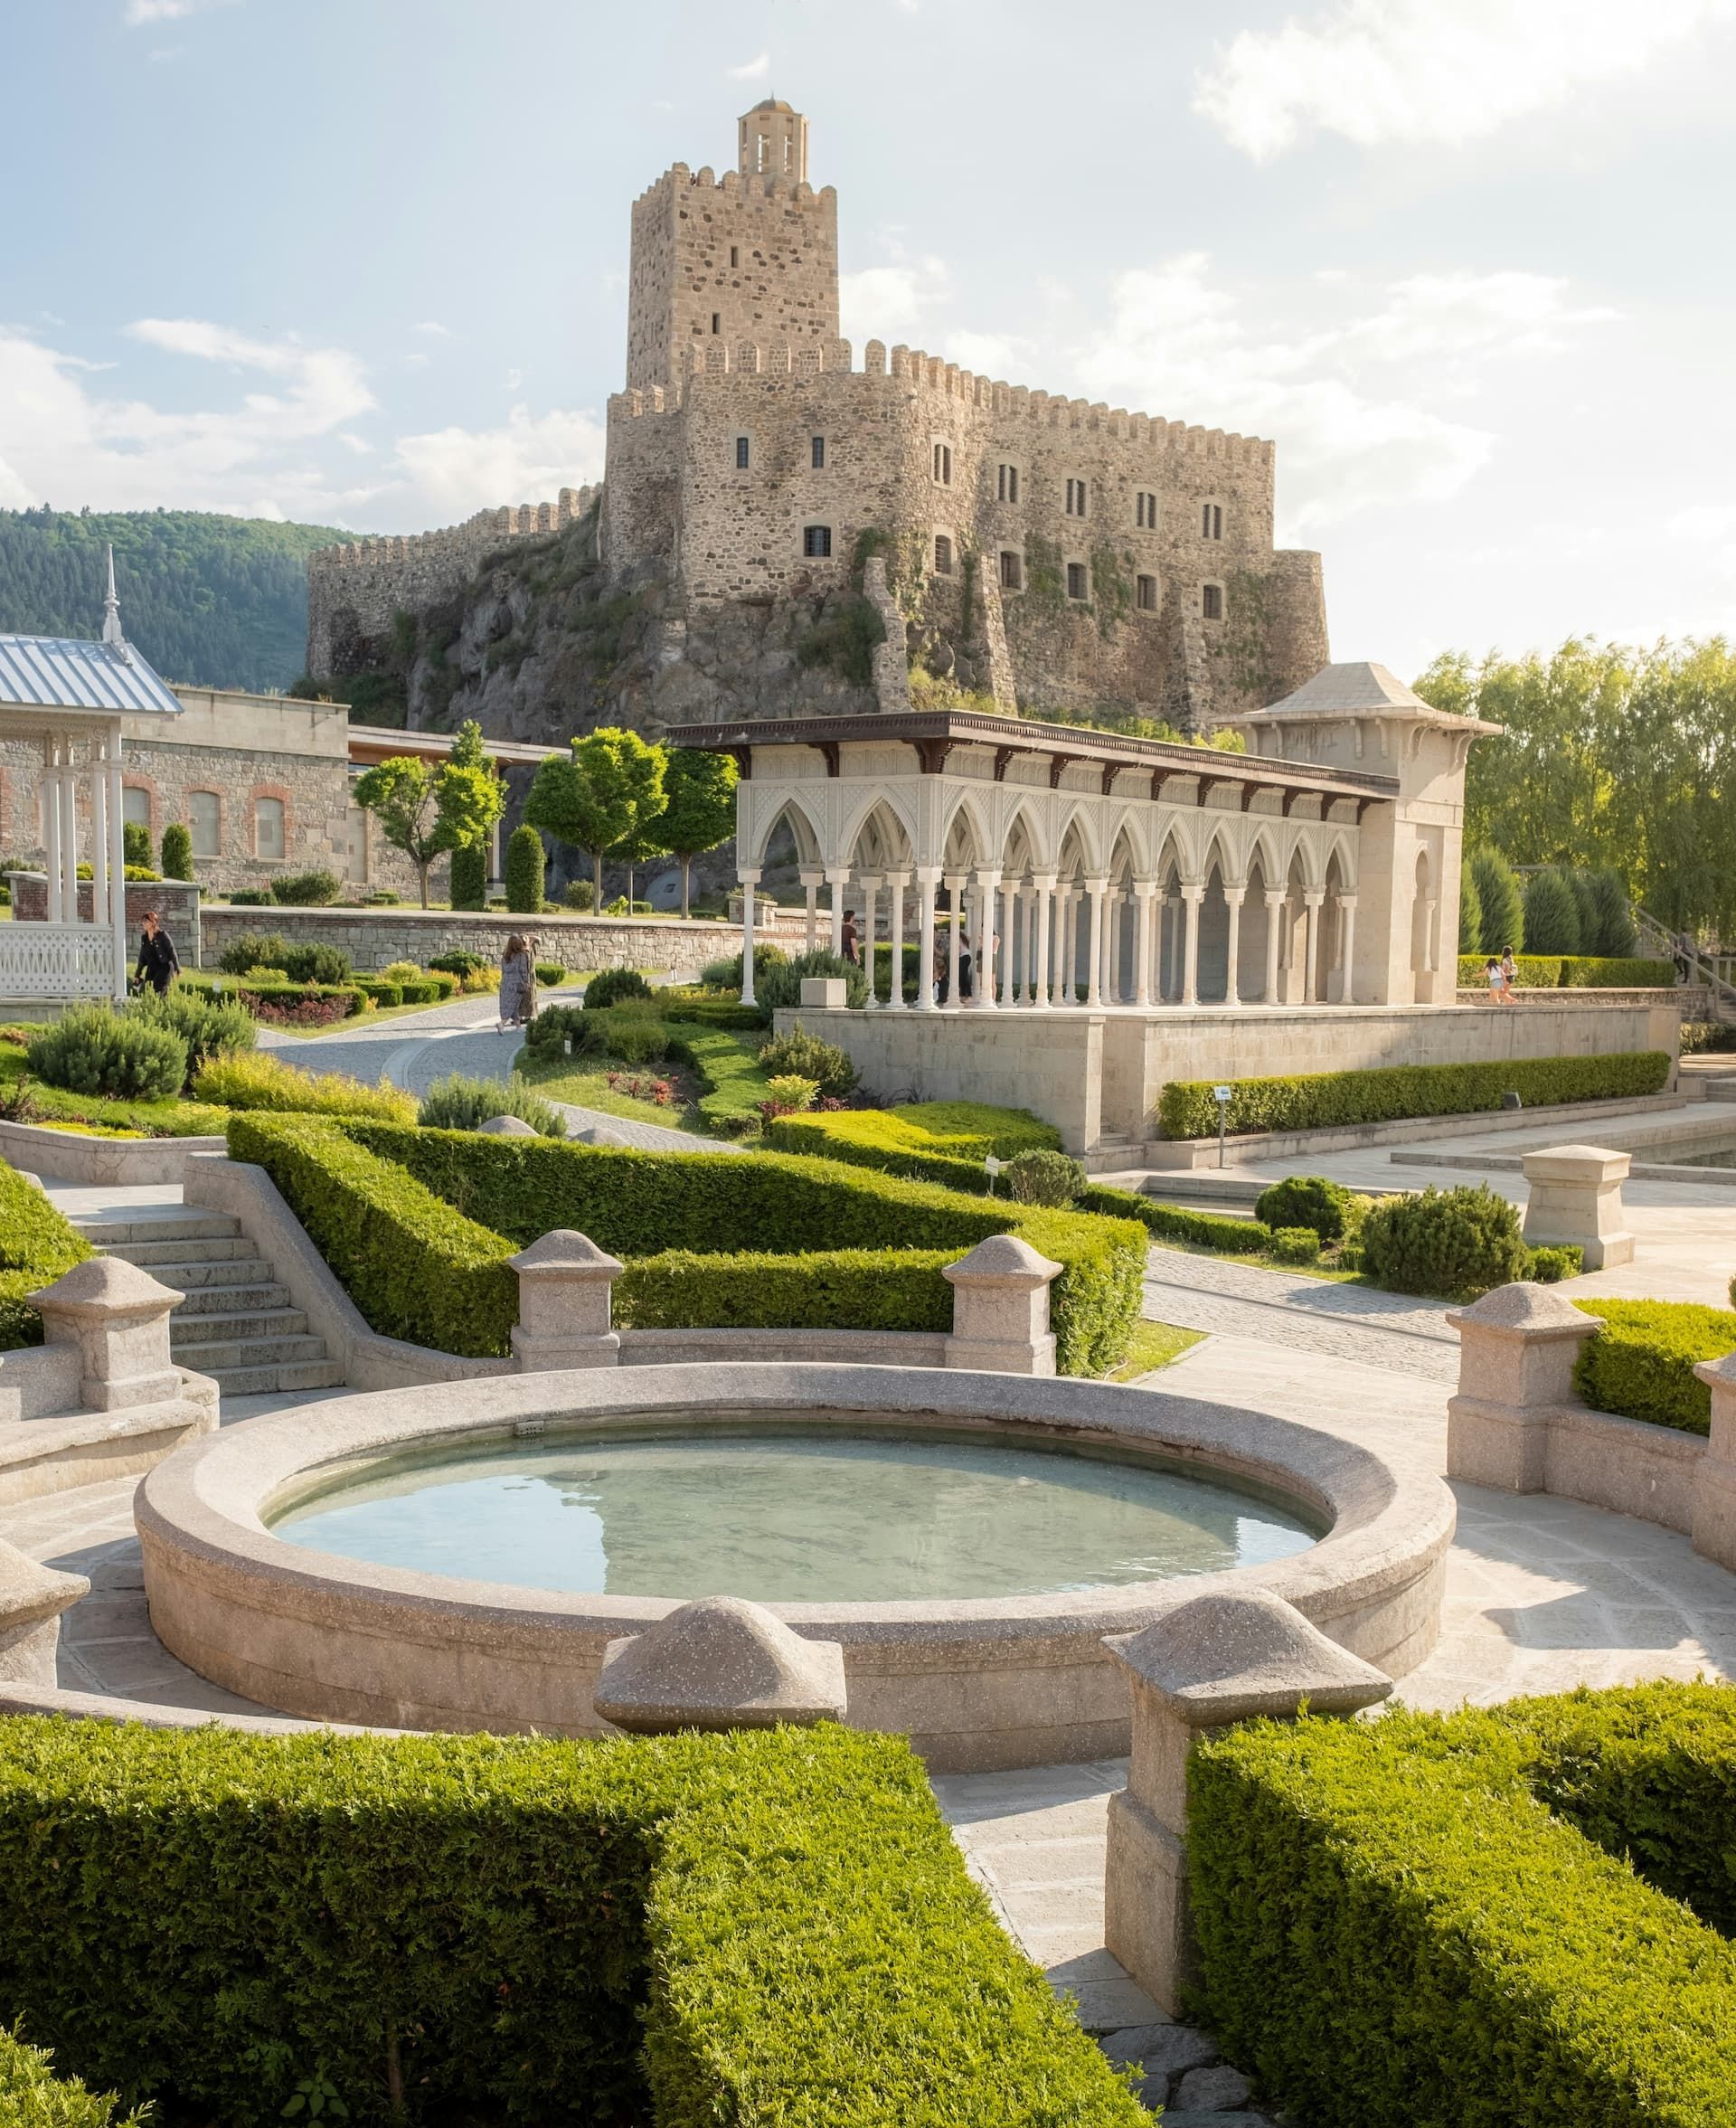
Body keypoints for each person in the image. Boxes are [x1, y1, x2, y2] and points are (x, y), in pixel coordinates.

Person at [133, 910, 180, 996]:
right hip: (152, 968)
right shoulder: (144, 938)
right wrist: (137, 974)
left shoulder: (163, 935)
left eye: (146, 921)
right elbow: (142, 957)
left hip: (164, 968)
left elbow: (171, 951)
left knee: (159, 992)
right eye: (142, 921)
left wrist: (177, 968)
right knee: (145, 991)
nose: (143, 923)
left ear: (153, 922)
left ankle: (161, 1007)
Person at [497, 933, 533, 1033]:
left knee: (511, 1004)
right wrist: (526, 982)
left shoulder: (505, 955)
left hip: (505, 982)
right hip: (517, 983)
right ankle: (502, 1023)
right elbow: (523, 970)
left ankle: (518, 1027)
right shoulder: (521, 955)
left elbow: (503, 970)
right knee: (513, 1004)